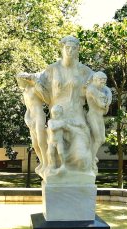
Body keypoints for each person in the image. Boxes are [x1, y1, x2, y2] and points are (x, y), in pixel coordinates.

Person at [34, 36, 94, 174]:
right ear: (62, 49)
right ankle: (56, 168)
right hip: (57, 119)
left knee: (82, 160)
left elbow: (99, 81)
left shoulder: (84, 70)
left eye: (73, 48)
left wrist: (104, 96)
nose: (70, 51)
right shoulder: (52, 69)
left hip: (77, 119)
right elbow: (37, 81)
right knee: (54, 153)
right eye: (67, 48)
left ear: (77, 50)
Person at [16, 73, 48, 175]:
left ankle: (47, 163)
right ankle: (42, 162)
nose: (18, 82)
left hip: (39, 115)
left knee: (41, 141)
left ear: (24, 79)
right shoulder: (25, 92)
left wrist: (37, 84)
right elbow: (28, 108)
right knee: (35, 143)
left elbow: (46, 99)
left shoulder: (34, 89)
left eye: (19, 80)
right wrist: (27, 119)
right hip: (31, 117)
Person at [86, 71, 112, 170]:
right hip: (93, 116)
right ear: (96, 79)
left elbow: (108, 93)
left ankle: (91, 156)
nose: (103, 83)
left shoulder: (102, 88)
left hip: (99, 116)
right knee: (97, 139)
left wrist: (108, 101)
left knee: (102, 139)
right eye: (102, 81)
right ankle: (91, 160)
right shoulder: (91, 89)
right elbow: (101, 104)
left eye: (105, 81)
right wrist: (106, 104)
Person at [47, 105, 67, 174]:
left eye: (56, 113)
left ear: (60, 114)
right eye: (53, 114)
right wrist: (60, 125)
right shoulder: (50, 121)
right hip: (51, 141)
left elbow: (67, 127)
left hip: (59, 141)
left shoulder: (62, 121)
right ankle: (53, 165)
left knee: (61, 153)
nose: (55, 115)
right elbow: (52, 128)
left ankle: (63, 165)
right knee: (50, 153)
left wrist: (62, 124)